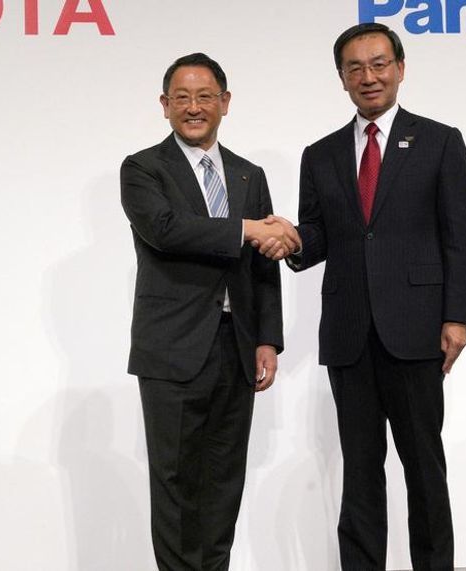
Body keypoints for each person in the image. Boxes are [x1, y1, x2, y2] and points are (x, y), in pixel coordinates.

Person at [264, 22, 466, 571]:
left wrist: (457, 316)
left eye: (379, 63)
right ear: (341, 78)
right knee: (359, 471)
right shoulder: (322, 153)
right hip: (350, 334)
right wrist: (289, 239)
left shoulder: (440, 141)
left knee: (424, 469)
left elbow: (459, 236)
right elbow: (319, 236)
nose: (368, 76)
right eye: (355, 67)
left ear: (401, 69)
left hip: (416, 331)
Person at [119, 52, 295, 571]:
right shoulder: (143, 168)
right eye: (182, 98)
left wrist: (267, 338)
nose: (193, 108)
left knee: (223, 478)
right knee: (175, 482)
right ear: (164, 106)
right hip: (172, 350)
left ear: (225, 102)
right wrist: (247, 229)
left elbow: (263, 268)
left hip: (235, 346)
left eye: (204, 97)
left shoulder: (247, 174)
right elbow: (166, 230)